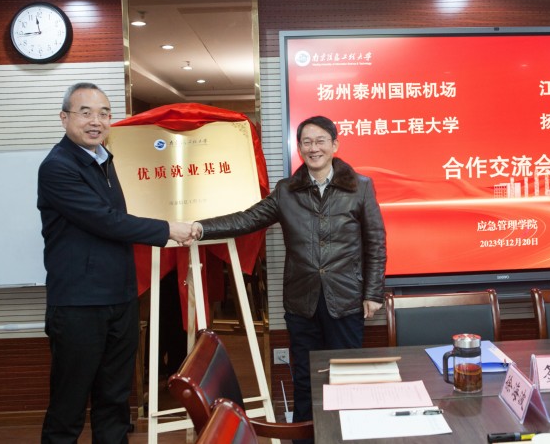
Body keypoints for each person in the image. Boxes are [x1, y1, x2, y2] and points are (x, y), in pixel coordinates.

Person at [193, 115, 387, 438]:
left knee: (347, 379)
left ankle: (346, 437)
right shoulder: (287, 191)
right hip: (302, 302)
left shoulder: (360, 187)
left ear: (335, 145)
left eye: (321, 141)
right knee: (305, 379)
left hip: (346, 298)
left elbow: (376, 242)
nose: (314, 148)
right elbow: (247, 219)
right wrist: (201, 228)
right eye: (307, 142)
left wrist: (373, 292)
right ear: (299, 149)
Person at [37, 82, 197, 443]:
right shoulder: (58, 167)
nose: (96, 121)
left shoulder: (104, 161)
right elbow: (106, 221)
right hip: (79, 305)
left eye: (104, 113)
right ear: (64, 118)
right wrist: (168, 229)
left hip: (120, 299)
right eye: (86, 113)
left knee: (114, 401)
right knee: (68, 407)